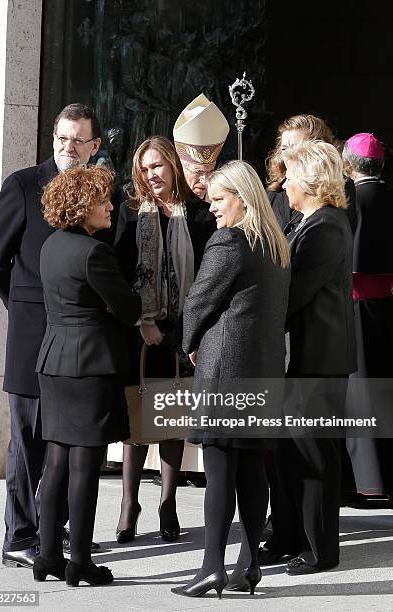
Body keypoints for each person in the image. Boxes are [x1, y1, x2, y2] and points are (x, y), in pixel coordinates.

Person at [0, 103, 104, 568]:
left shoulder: (97, 190)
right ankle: (20, 536)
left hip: (77, 343)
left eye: (78, 140)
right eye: (62, 138)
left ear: (94, 146)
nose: (68, 147)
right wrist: (24, 303)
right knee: (27, 441)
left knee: (65, 439)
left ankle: (54, 530)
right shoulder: (23, 185)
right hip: (33, 336)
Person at [172, 160, 290, 598]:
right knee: (251, 472)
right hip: (262, 372)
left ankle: (210, 569)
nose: (212, 207)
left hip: (225, 371)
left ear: (242, 197)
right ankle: (249, 565)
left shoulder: (229, 242)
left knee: (220, 472)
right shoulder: (276, 244)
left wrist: (187, 342)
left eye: (219, 199)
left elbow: (199, 302)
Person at [33, 165, 141, 586]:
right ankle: (79, 560)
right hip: (90, 366)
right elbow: (129, 310)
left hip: (53, 363)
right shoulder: (95, 253)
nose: (110, 206)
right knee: (84, 466)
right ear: (81, 207)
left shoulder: (50, 246)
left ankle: (46, 556)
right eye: (102, 200)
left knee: (56, 460)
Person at [260, 141, 356, 575]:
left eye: (292, 176)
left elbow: (294, 294)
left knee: (315, 457)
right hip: (302, 359)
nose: (285, 183)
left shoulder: (326, 228)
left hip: (319, 360)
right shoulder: (311, 222)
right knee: (288, 454)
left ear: (312, 183)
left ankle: (320, 549)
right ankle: (287, 535)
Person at [114, 135, 216, 544]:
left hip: (182, 332)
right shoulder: (129, 213)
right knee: (137, 422)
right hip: (138, 334)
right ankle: (128, 503)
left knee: (172, 417)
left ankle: (168, 501)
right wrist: (143, 321)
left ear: (174, 166)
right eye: (143, 167)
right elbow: (120, 277)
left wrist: (180, 331)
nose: (150, 174)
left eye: (157, 165)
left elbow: (208, 278)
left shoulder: (198, 215)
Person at [342, 133, 393, 498]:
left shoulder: (348, 202)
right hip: (388, 308)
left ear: (348, 164)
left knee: (359, 393)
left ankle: (366, 481)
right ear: (382, 163)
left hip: (355, 308)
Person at [266, 114, 337, 230]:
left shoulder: (334, 188)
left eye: (295, 148)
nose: (288, 155)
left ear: (317, 150)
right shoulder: (274, 191)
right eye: (284, 149)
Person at [173, 93, 229, 200]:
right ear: (180, 168)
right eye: (198, 172)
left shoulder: (216, 208)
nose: (205, 180)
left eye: (210, 172)